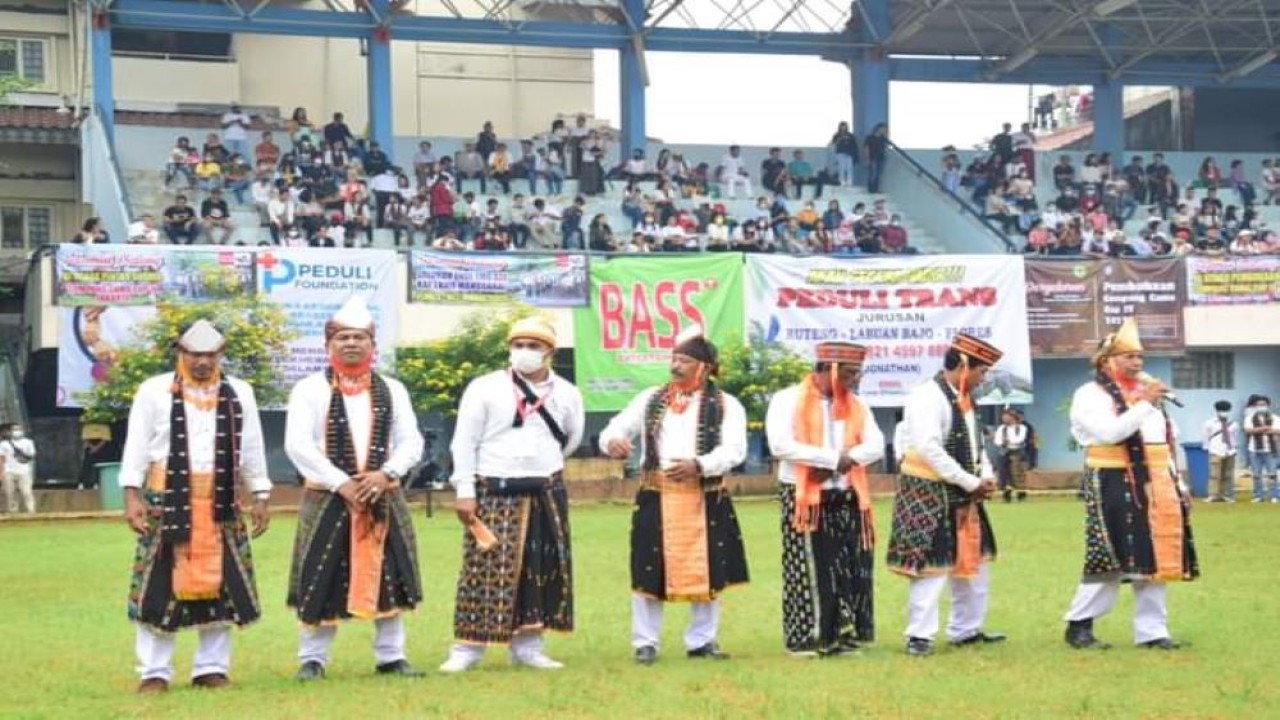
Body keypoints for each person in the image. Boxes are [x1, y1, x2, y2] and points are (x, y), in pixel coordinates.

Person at [117, 320, 272, 693]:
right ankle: (154, 671)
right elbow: (136, 444)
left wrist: (261, 495)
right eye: (194, 354)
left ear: (221, 354)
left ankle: (211, 668)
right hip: (165, 499)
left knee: (223, 584)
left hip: (222, 501)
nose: (202, 361)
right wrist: (132, 494)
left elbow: (251, 446)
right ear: (180, 352)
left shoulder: (240, 393)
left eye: (210, 354)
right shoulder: (154, 390)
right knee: (157, 584)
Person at [284, 297, 425, 681]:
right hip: (327, 496)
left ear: (372, 345)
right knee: (320, 574)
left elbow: (411, 440)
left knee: (391, 575)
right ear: (328, 345)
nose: (351, 344)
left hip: (384, 493)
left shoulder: (393, 389)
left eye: (359, 337)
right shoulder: (309, 389)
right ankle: (312, 659)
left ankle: (391, 657)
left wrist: (386, 473)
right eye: (343, 337)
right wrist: (341, 482)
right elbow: (298, 445)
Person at [439, 316, 585, 673]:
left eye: (533, 346)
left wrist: (539, 463)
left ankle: (529, 646)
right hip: (494, 490)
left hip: (545, 491)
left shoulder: (567, 392)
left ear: (550, 352)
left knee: (539, 569)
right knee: (485, 568)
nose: (524, 352)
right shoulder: (485, 387)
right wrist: (465, 489)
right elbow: (464, 441)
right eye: (518, 345)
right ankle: (468, 648)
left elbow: (572, 439)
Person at [599, 325, 749, 665]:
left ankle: (702, 642)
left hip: (705, 493)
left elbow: (735, 451)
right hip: (656, 492)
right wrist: (613, 442)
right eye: (674, 359)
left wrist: (699, 465)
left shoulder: (727, 404)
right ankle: (645, 643)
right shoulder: (652, 398)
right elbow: (614, 428)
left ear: (705, 367)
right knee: (646, 567)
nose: (676, 366)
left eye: (684, 360)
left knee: (709, 565)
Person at [1063, 317, 1198, 650]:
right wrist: (1145, 402)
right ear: (1107, 360)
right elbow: (1111, 433)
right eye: (1129, 357)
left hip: (1158, 479)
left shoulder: (1145, 394)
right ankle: (1079, 624)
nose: (1137, 363)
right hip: (1112, 478)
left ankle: (1153, 632)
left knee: (1156, 551)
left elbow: (1165, 440)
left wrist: (1178, 484)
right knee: (1111, 552)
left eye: (1140, 357)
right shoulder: (1088, 394)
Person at [886, 333, 1005, 657]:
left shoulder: (965, 400)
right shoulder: (927, 396)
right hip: (928, 490)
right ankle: (919, 636)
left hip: (963, 489)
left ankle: (966, 629)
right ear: (964, 366)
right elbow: (928, 447)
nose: (984, 379)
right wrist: (969, 481)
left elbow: (975, 445)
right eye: (982, 372)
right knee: (932, 567)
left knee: (975, 561)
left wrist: (986, 475)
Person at [765, 342, 884, 656]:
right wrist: (831, 459)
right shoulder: (786, 400)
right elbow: (780, 445)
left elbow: (876, 445)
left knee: (846, 566)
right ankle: (806, 639)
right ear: (827, 370)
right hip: (805, 495)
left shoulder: (857, 405)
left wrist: (843, 461)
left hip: (846, 494)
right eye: (848, 374)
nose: (854, 380)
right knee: (805, 568)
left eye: (857, 373)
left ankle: (842, 636)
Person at [1243, 394, 1279, 502]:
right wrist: (1265, 428)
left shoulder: (1275, 418)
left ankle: (1274, 495)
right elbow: (1248, 430)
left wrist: (1260, 430)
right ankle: (1258, 495)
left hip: (1270, 449)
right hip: (1254, 449)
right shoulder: (1250, 418)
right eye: (1259, 405)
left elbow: (1278, 431)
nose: (1261, 406)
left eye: (1263, 404)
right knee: (1256, 474)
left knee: (1272, 474)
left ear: (1268, 405)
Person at [1203, 400, 1239, 502]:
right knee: (1214, 474)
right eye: (1221, 410)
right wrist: (1207, 448)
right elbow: (1206, 436)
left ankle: (1227, 495)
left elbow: (1234, 437)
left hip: (1229, 451)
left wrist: (1234, 448)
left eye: (1226, 410)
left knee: (1228, 474)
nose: (1224, 412)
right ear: (1217, 411)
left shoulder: (1234, 424)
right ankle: (1213, 495)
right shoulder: (1209, 423)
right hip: (1215, 449)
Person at [993, 408, 1029, 503]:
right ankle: (1006, 494)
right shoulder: (1002, 428)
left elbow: (1019, 439)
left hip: (1017, 452)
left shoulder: (1021, 428)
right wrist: (1004, 442)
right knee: (1003, 473)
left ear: (1013, 417)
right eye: (1003, 416)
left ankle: (1021, 495)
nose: (1004, 418)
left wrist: (1008, 441)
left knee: (1017, 472)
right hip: (1004, 451)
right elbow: (997, 441)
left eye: (1006, 416)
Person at [0, 423, 36, 514]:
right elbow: (2, 459)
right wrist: (1, 472)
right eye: (14, 429)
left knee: (27, 492)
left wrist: (23, 456)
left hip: (24, 471)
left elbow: (32, 455)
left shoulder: (28, 442)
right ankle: (13, 512)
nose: (17, 431)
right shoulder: (3, 444)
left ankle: (31, 511)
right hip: (9, 471)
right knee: (9, 493)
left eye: (19, 429)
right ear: (10, 431)